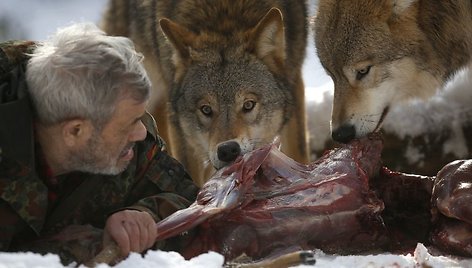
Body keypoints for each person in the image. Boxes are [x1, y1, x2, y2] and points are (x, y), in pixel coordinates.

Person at [0, 23, 199, 265]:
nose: (140, 132)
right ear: (75, 131)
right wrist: (63, 250)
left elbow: (190, 199)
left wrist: (144, 214)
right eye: (130, 124)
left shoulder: (121, 124)